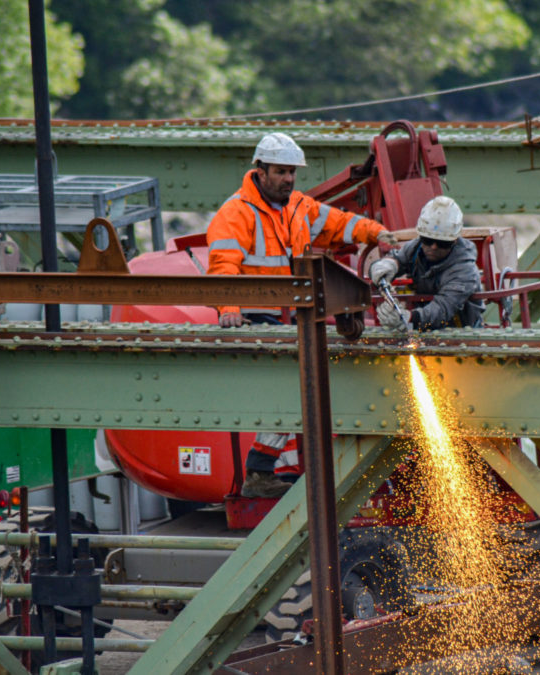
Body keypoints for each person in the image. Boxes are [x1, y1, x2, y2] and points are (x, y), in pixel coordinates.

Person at [207, 132, 397, 498]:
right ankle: (261, 472)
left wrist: (378, 234)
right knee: (295, 390)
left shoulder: (298, 207)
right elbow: (222, 267)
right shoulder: (235, 214)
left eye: (292, 172)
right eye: (280, 171)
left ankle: (277, 470)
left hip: (290, 315)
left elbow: (340, 223)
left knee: (302, 387)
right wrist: (229, 309)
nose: (289, 179)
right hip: (255, 318)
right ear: (259, 171)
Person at [367, 195, 485, 331]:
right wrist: (389, 264)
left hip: (461, 331)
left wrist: (409, 317)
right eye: (428, 240)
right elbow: (400, 259)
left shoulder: (464, 270)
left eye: (442, 243)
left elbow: (443, 308)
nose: (433, 247)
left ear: (455, 241)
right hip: (425, 328)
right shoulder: (416, 247)